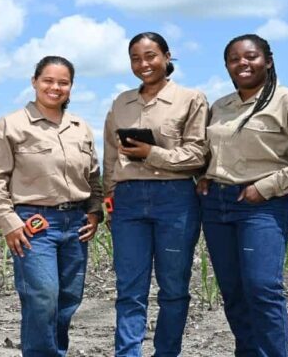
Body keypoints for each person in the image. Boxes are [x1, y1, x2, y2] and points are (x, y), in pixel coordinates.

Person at [197, 34, 288, 357]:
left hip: (262, 205)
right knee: (233, 292)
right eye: (234, 59)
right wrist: (203, 175)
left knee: (262, 288)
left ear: (268, 61)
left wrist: (266, 187)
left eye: (251, 57)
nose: (242, 63)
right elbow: (211, 150)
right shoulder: (221, 107)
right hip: (216, 206)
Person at [0, 55, 104, 357]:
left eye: (63, 82)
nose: (55, 87)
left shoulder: (80, 128)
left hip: (75, 223)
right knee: (42, 297)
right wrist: (8, 223)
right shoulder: (11, 125)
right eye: (48, 80)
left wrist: (95, 210)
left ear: (71, 87)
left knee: (68, 298)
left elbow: (94, 176)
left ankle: (54, 352)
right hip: (33, 224)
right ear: (34, 81)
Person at [103, 32, 208, 356]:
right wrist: (109, 199)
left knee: (174, 289)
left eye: (150, 56)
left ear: (167, 56)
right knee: (129, 291)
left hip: (175, 199)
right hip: (129, 200)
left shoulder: (191, 99)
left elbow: (198, 155)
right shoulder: (121, 102)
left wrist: (151, 153)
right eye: (135, 58)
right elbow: (109, 155)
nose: (143, 64)